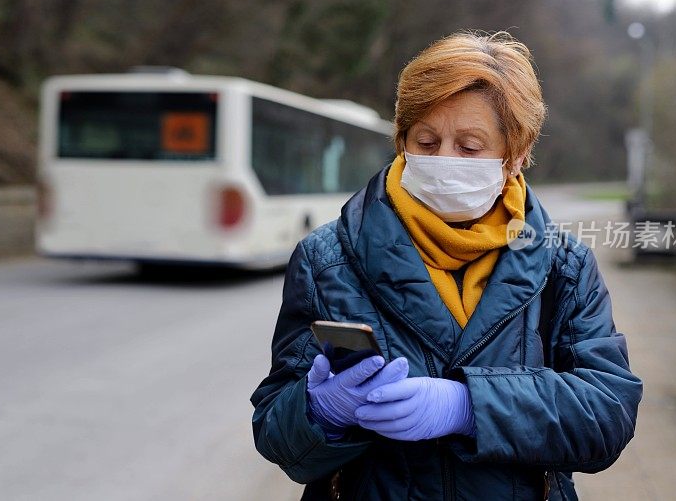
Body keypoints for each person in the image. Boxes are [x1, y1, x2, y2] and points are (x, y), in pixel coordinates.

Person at [250, 31, 642, 500]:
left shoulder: (566, 267)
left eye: (470, 147)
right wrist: (322, 414)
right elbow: (276, 432)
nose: (443, 160)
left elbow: (608, 412)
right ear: (402, 141)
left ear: (515, 156)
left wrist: (469, 407)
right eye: (427, 140)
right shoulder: (326, 259)